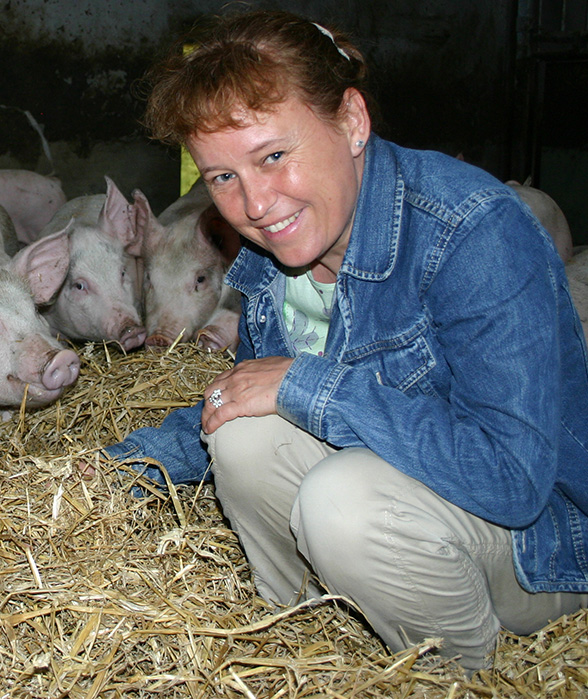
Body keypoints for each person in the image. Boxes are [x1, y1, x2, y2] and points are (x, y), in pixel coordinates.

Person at [103, 8, 588, 672]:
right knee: (240, 433)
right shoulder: (279, 259)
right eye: (222, 177)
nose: (255, 202)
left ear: (352, 122)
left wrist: (311, 385)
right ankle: (314, 649)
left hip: (535, 547)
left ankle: (455, 674)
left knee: (342, 499)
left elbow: (512, 478)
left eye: (274, 155)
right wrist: (121, 470)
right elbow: (247, 392)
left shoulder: (473, 234)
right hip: (406, 505)